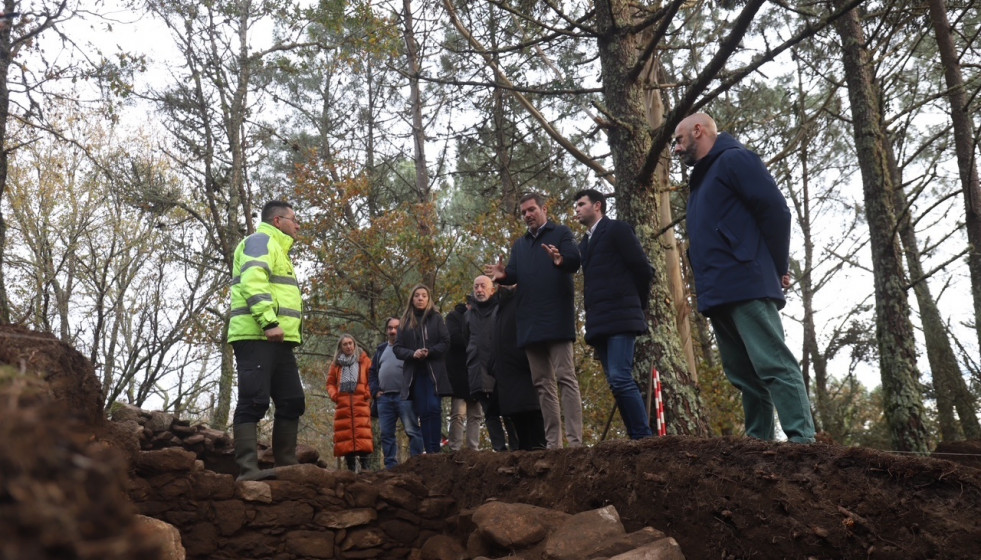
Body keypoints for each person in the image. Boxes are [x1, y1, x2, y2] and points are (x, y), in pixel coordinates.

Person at [674, 113, 815, 444]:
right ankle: (758, 445)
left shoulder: (735, 159)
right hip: (717, 291)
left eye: (679, 140)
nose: (676, 150)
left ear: (699, 131)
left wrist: (778, 266)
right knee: (743, 375)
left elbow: (776, 211)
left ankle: (802, 443)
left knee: (774, 365)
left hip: (747, 282)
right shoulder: (701, 180)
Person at [484, 192, 583, 449]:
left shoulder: (561, 233)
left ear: (543, 208)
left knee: (566, 378)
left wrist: (561, 259)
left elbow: (574, 260)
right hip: (528, 322)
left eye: (531, 209)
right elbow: (513, 274)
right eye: (524, 212)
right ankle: (554, 444)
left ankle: (575, 443)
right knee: (542, 384)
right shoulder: (519, 245)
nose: (527, 215)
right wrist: (502, 275)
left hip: (557, 318)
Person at [228, 200, 306, 481]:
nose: (297, 225)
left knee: (292, 400)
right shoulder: (260, 242)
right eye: (294, 219)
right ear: (277, 221)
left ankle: (286, 466)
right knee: (253, 400)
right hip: (257, 334)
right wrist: (268, 321)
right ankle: (247, 471)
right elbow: (253, 281)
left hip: (279, 340)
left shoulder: (280, 250)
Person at [573, 189, 654, 440]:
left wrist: (634, 304)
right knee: (615, 383)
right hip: (599, 323)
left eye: (581, 204)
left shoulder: (618, 229)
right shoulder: (584, 244)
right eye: (575, 205)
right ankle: (635, 438)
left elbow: (643, 269)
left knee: (621, 378)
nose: (576, 209)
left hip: (621, 316)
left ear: (597, 206)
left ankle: (644, 438)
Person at [393, 284, 452, 453]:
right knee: (424, 412)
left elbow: (446, 342)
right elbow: (397, 348)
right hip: (415, 374)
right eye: (417, 295)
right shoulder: (404, 321)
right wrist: (413, 353)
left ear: (428, 299)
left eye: (424, 295)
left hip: (434, 372)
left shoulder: (436, 318)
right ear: (412, 299)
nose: (420, 298)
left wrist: (430, 352)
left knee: (434, 408)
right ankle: (429, 451)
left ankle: (435, 450)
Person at [490, 285, 547, 450]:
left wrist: (528, 358)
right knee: (516, 414)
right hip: (505, 370)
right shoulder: (500, 306)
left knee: (533, 411)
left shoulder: (523, 299)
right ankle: (525, 451)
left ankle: (539, 447)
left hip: (524, 366)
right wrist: (492, 365)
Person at [464, 275, 516, 451]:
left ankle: (518, 449)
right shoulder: (468, 315)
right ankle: (499, 450)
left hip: (501, 367)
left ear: (492, 289)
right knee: (490, 414)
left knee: (509, 411)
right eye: (476, 286)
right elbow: (466, 339)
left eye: (483, 286)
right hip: (478, 369)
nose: (479, 290)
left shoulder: (501, 308)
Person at [369, 317, 424, 469]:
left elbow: (417, 371)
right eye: (390, 328)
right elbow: (372, 372)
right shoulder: (380, 350)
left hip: (405, 396)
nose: (393, 331)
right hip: (384, 398)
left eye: (396, 328)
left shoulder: (409, 349)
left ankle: (417, 464)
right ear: (387, 330)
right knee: (386, 434)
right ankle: (391, 467)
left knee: (412, 430)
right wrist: (375, 391)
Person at [326, 334, 375, 471]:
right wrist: (335, 396)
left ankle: (365, 468)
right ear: (340, 347)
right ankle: (350, 468)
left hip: (361, 404)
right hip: (343, 405)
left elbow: (372, 380)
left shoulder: (365, 361)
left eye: (350, 343)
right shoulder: (336, 365)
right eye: (345, 344)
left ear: (354, 344)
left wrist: (367, 393)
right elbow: (330, 383)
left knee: (363, 435)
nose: (348, 346)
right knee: (345, 437)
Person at [445, 301, 483, 451]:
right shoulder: (454, 317)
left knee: (476, 414)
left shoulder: (481, 317)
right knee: (458, 413)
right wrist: (475, 341)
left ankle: (474, 448)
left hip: (477, 372)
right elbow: (454, 339)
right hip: (459, 372)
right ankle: (455, 448)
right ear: (468, 304)